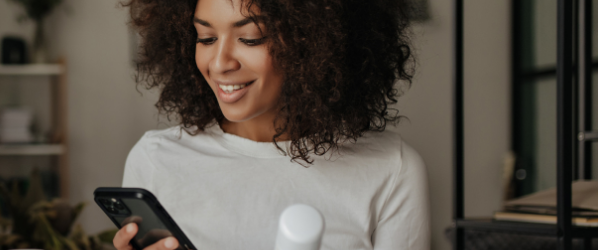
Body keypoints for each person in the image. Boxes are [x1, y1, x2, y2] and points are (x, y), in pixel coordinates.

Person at [113, 0, 430, 249]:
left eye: (250, 39)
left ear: (313, 40)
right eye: (206, 38)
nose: (221, 62)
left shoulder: (391, 170)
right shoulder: (156, 161)